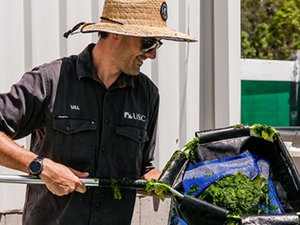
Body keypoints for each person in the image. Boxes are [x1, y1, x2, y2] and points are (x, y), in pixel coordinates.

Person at [0, 0, 196, 224]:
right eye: (148, 43)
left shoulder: (147, 95)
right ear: (116, 34)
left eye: (157, 45)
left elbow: (143, 168)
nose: (152, 55)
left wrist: (154, 178)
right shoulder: (50, 81)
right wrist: (40, 166)